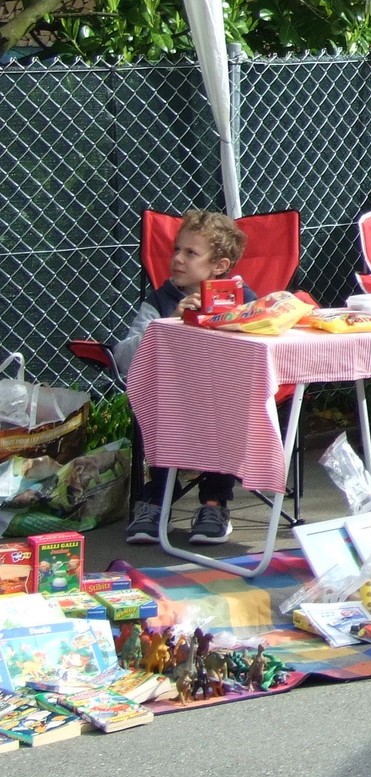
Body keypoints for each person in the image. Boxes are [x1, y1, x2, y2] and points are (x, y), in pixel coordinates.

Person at [120, 211, 253, 546]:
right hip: (172, 398)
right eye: (176, 250)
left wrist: (234, 321)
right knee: (161, 406)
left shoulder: (244, 301)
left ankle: (214, 504)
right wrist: (170, 325)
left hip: (223, 397)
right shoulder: (160, 301)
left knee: (227, 409)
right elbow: (123, 357)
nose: (177, 259)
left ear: (220, 265)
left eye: (191, 253)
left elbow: (263, 348)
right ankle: (156, 499)